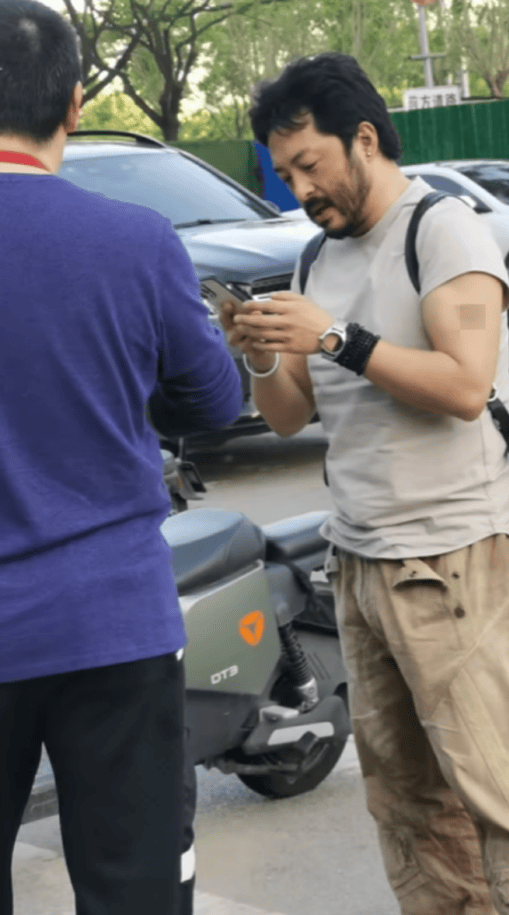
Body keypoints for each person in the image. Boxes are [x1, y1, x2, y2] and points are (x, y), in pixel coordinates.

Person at [224, 52, 509, 915]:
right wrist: (261, 351)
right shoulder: (316, 257)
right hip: (359, 560)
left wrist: (337, 337)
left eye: (310, 165)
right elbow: (289, 415)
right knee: (407, 805)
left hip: (455, 556)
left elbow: (465, 383)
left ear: (364, 138)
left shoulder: (445, 231)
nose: (300, 190)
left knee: (505, 801)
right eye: (284, 175)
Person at [0, 2, 243, 914]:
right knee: (134, 885)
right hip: (113, 624)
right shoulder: (137, 241)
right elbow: (212, 402)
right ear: (73, 104)